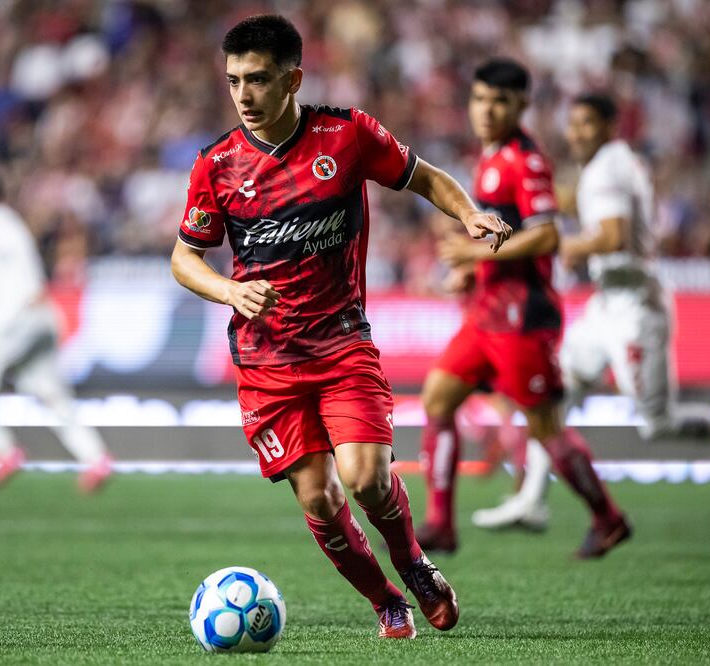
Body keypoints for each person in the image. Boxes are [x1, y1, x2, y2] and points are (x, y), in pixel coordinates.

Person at [171, 14, 512, 639]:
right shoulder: (216, 164)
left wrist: (468, 214)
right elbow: (184, 258)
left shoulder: (347, 134)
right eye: (234, 81)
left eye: (258, 79)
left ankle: (413, 562)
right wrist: (229, 290)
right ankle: (386, 600)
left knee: (366, 479)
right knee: (320, 499)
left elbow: (424, 176)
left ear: (293, 79)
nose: (244, 95)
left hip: (341, 344)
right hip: (266, 361)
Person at [472, 92, 710, 531]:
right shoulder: (611, 164)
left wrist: (561, 245)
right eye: (572, 124)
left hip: (635, 308)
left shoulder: (608, 168)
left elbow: (612, 236)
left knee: (659, 424)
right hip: (607, 303)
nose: (575, 133)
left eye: (585, 124)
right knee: (553, 396)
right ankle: (531, 502)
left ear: (609, 126)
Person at [417, 59, 631, 559]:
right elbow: (503, 234)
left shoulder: (526, 161)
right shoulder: (489, 157)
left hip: (522, 318)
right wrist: (472, 272)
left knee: (546, 427)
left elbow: (548, 235)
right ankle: (440, 523)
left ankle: (609, 518)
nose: (487, 110)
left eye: (500, 102)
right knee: (438, 398)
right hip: (486, 313)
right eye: (480, 99)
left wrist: (474, 254)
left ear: (521, 106)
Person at [0, 169, 112, 492]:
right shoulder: (6, 221)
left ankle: (4, 451)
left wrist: (30, 292)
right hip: (42, 316)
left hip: (18, 318)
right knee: (51, 395)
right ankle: (96, 458)